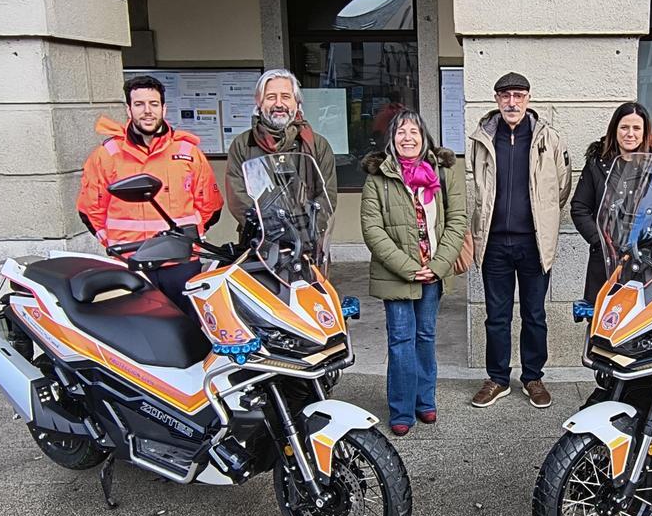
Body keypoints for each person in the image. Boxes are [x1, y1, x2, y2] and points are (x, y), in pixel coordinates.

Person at [468, 72, 572, 410]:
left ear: (528, 98)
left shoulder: (549, 138)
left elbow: (562, 188)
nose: (512, 102)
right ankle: (498, 379)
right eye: (505, 96)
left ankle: (532, 377)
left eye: (518, 95)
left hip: (534, 244)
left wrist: (541, 218)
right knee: (496, 316)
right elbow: (480, 189)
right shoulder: (483, 138)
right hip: (495, 243)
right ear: (496, 99)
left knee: (534, 314)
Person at [360, 109, 467, 436]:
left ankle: (425, 400)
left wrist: (437, 266)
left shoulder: (443, 173)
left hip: (433, 271)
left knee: (425, 337)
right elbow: (372, 229)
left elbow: (457, 221)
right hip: (396, 274)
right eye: (401, 132)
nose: (408, 138)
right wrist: (409, 268)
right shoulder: (378, 178)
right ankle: (402, 409)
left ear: (424, 137)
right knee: (401, 339)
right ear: (391, 139)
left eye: (414, 132)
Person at [77, 75, 223, 310]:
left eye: (154, 104)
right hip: (130, 263)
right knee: (137, 327)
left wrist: (188, 237)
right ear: (128, 109)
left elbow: (211, 206)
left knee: (192, 326)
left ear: (164, 108)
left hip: (180, 262)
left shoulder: (188, 152)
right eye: (139, 104)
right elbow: (89, 209)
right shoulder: (107, 155)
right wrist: (113, 242)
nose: (147, 111)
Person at [571, 102, 652, 303]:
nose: (630, 134)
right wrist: (599, 240)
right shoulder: (597, 163)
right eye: (624, 127)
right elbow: (579, 208)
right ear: (615, 129)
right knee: (603, 316)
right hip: (606, 259)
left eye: (636, 128)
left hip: (647, 260)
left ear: (645, 132)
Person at [225, 69, 337, 243]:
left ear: (296, 102)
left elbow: (327, 194)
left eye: (285, 97)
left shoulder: (317, 145)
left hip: (307, 241)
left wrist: (307, 230)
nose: (279, 104)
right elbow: (237, 196)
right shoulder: (243, 144)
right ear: (259, 102)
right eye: (271, 97)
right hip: (259, 240)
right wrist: (267, 228)